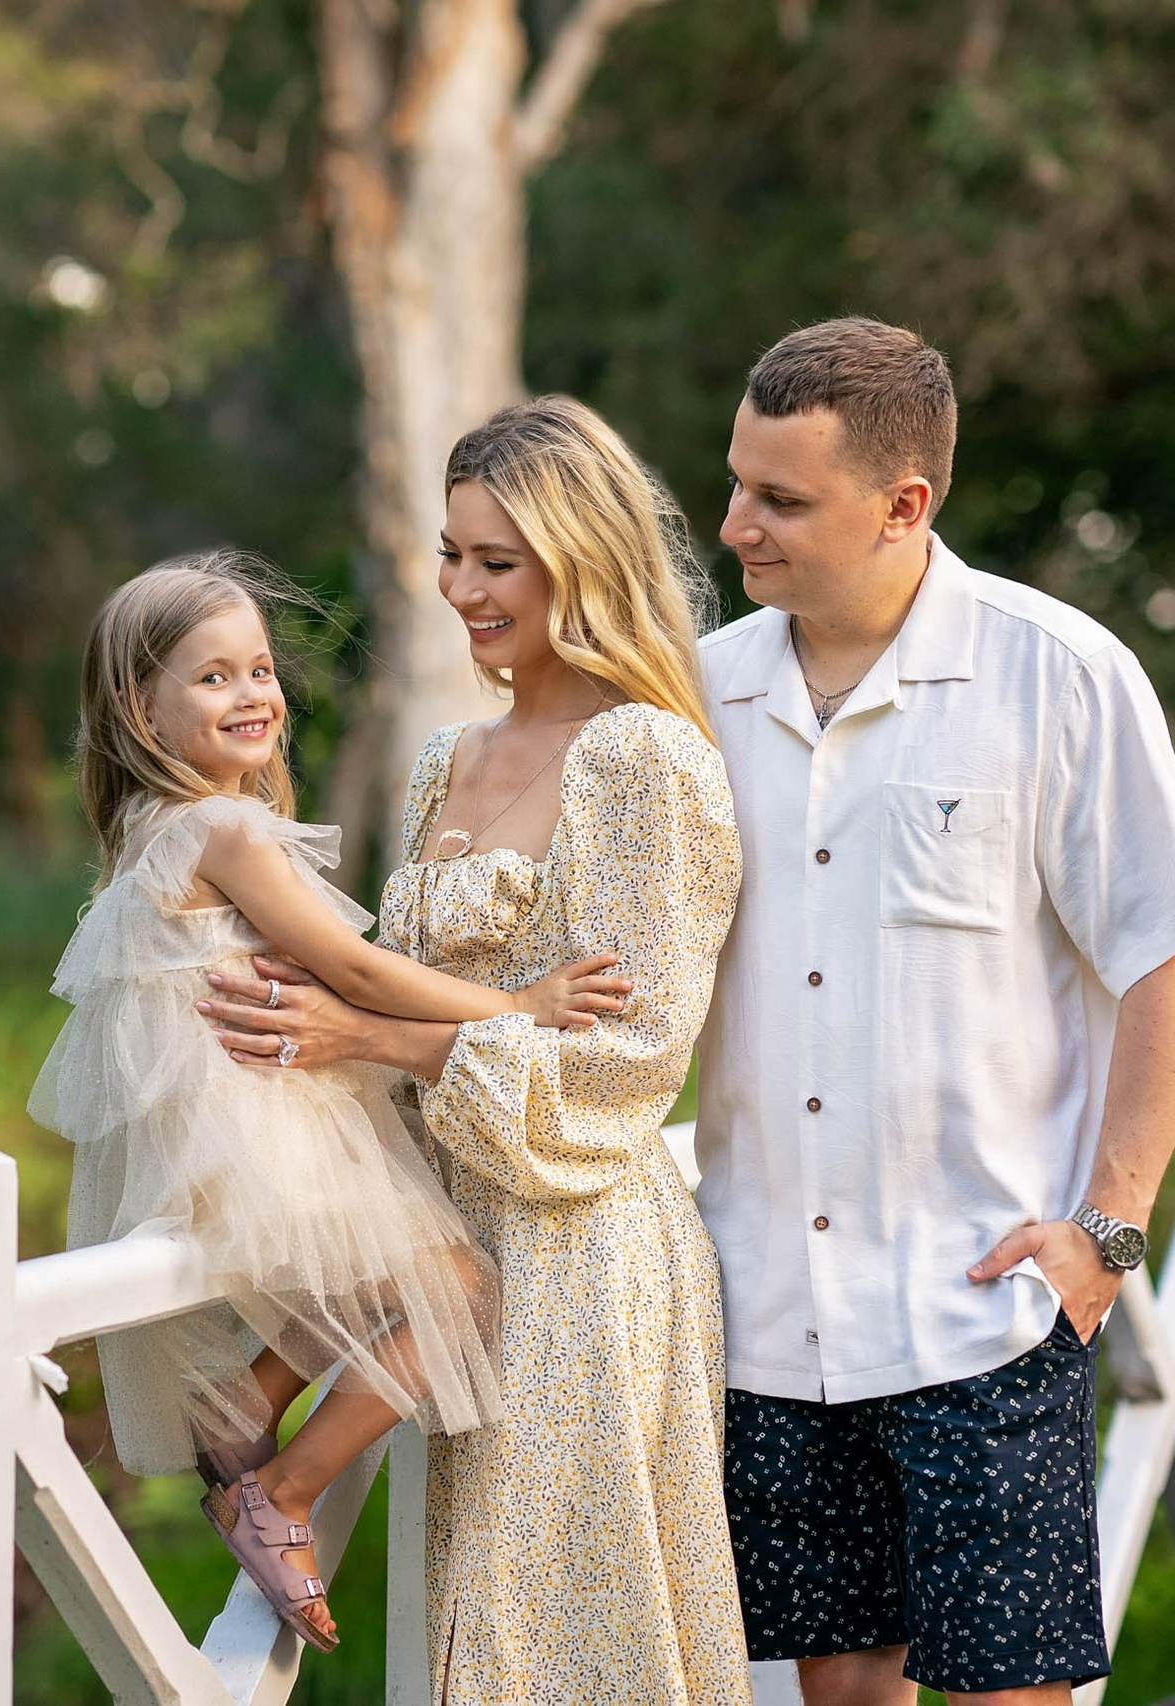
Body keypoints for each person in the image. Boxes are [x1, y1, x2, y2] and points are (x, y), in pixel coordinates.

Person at [697, 317, 1175, 1705]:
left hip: (980, 1307)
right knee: (839, 1693)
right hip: (765, 1315)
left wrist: (1108, 1226)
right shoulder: (700, 695)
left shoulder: (1057, 672)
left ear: (905, 504)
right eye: (740, 480)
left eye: (781, 498)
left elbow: (1173, 954)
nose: (734, 522)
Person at [200, 399, 755, 1705]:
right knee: (474, 1616)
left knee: (561, 1625)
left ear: (581, 559)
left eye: (494, 561)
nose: (460, 590)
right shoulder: (444, 757)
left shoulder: (646, 760)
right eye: (450, 556)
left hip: (580, 1249)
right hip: (443, 1236)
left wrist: (372, 1033)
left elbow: (626, 1063)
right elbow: (379, 996)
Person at [30, 553, 629, 1652]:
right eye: (213, 677)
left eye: (259, 669)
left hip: (217, 1126)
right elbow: (356, 973)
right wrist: (519, 1004)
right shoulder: (227, 831)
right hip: (265, 1118)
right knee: (457, 1289)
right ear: (137, 705)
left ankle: (242, 1404)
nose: (254, 694)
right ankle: (285, 1487)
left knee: (371, 1292)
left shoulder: (150, 831)